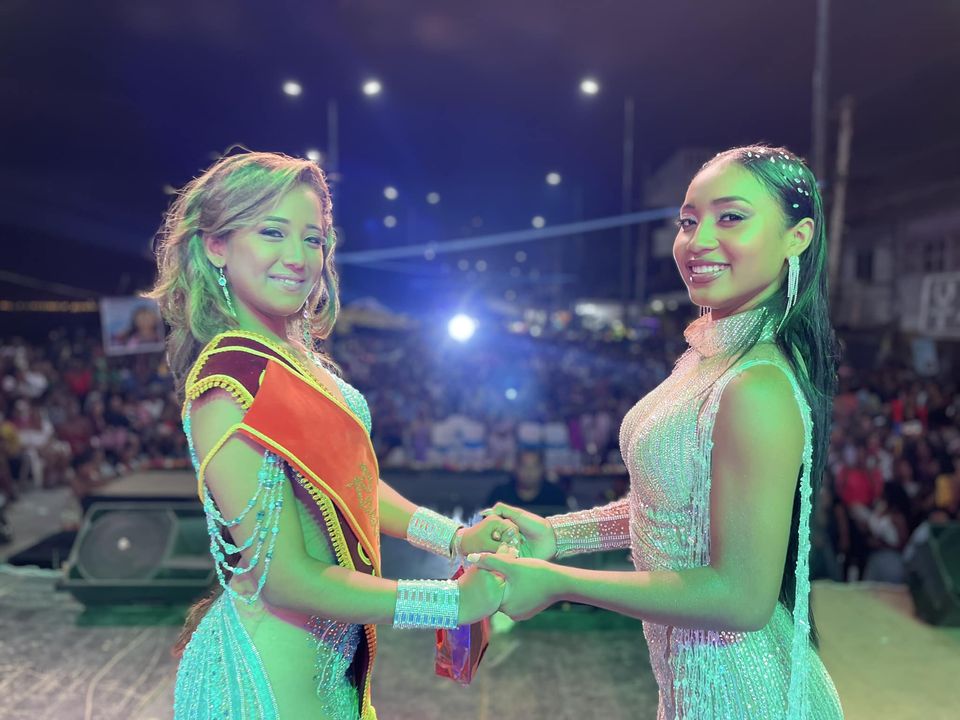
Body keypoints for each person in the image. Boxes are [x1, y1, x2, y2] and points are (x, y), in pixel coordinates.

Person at [476, 145, 844, 718]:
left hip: (742, 696)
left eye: (731, 217)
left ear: (797, 237)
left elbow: (741, 599)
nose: (698, 241)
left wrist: (559, 582)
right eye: (688, 221)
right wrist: (559, 535)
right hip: (693, 686)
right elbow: (678, 506)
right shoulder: (706, 358)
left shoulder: (758, 385)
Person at [147, 151, 512, 720]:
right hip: (266, 684)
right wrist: (448, 603)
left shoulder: (298, 361)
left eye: (312, 239)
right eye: (272, 232)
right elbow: (284, 579)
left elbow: (348, 484)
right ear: (216, 245)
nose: (297, 258)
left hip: (331, 666)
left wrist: (455, 539)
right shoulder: (228, 383)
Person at [485, 449, 568, 511]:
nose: (529, 472)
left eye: (534, 467)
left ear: (542, 469)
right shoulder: (500, 494)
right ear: (516, 468)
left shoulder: (556, 495)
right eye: (524, 466)